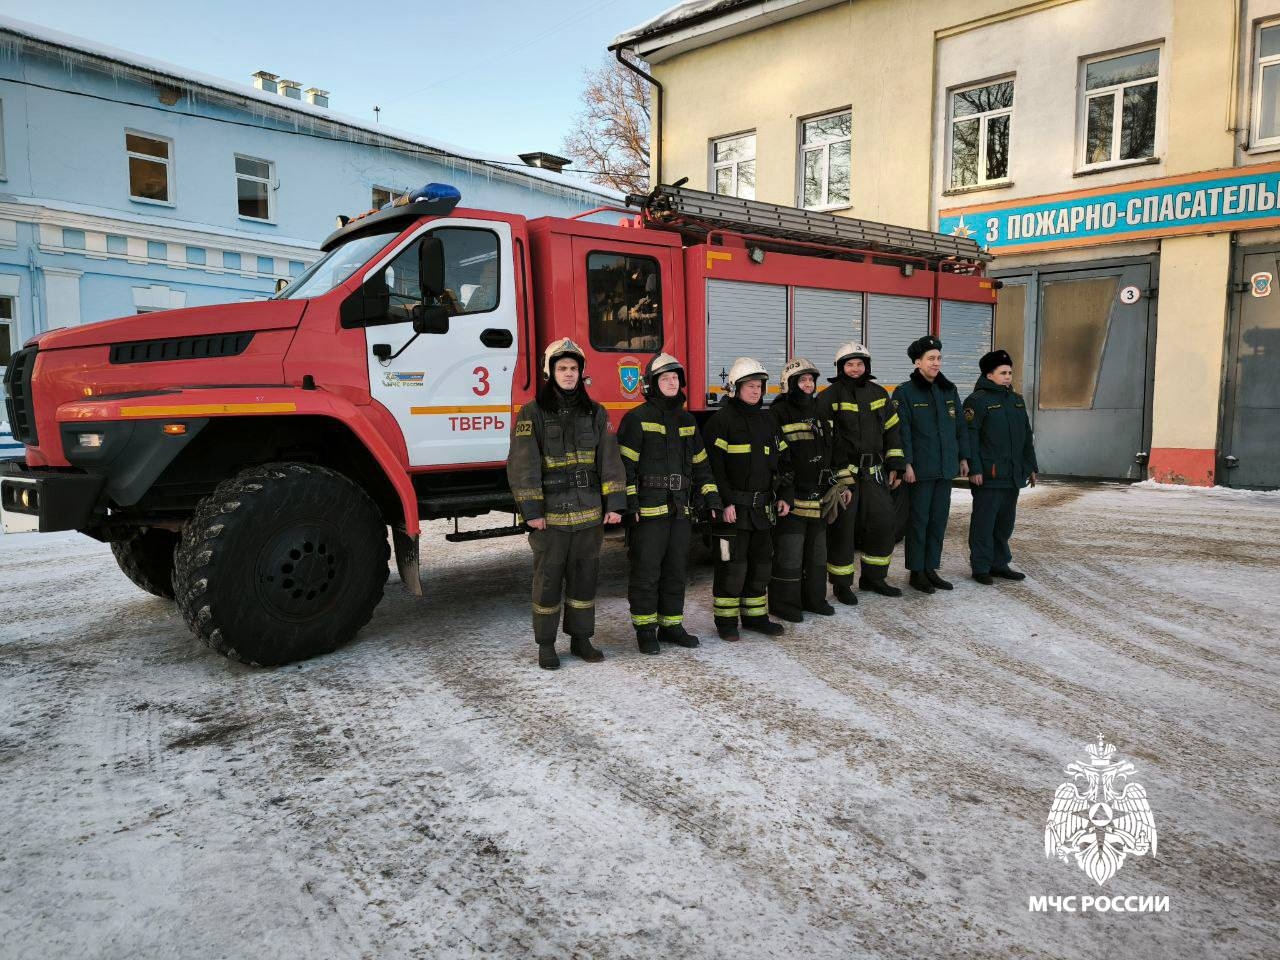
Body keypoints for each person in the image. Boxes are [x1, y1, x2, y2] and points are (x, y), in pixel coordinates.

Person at [507, 338, 627, 670]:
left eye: (574, 368)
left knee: (584, 580)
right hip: (552, 518)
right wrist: (532, 511)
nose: (569, 373)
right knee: (547, 582)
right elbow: (523, 465)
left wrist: (614, 503)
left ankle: (581, 639)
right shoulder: (532, 413)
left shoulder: (596, 412)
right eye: (562, 368)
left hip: (589, 516)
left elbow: (610, 460)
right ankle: (546, 645)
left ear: (581, 372)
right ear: (551, 372)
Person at [617, 353, 722, 654]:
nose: (672, 382)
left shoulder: (687, 421)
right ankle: (645, 630)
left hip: (680, 510)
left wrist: (711, 498)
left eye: (675, 378)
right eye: (665, 378)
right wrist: (629, 506)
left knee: (676, 571)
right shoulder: (636, 419)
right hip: (648, 513)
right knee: (646, 572)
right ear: (652, 384)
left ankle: (671, 625)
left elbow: (701, 465)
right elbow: (625, 468)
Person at [702, 358, 793, 641]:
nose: (756, 391)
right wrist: (724, 502)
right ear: (735, 388)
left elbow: (784, 460)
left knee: (760, 566)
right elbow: (713, 468)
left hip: (762, 511)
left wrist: (784, 495)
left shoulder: (768, 421)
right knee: (731, 567)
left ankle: (755, 617)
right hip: (733, 512)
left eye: (759, 386)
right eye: (750, 386)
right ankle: (726, 622)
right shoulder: (720, 422)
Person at [818, 342, 906, 601]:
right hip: (845, 475)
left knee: (882, 523)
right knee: (843, 530)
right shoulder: (829, 397)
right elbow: (826, 441)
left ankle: (874, 578)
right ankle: (841, 585)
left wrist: (896, 464)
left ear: (867, 366)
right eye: (850, 364)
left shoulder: (879, 393)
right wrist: (837, 474)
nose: (855, 369)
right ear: (840, 367)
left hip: (875, 473)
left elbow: (893, 431)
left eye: (860, 364)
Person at [768, 357, 843, 621]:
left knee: (817, 554)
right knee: (790, 553)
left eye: (811, 379)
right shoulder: (779, 413)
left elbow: (833, 448)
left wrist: (838, 482)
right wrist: (784, 490)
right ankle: (785, 604)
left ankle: (814, 599)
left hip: (820, 494)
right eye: (802, 380)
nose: (808, 384)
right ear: (789, 383)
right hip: (794, 496)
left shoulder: (820, 409)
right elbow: (778, 457)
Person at [895, 335, 970, 594]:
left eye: (938, 358)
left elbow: (960, 427)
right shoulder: (905, 392)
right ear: (917, 362)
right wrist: (906, 464)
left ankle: (930, 568)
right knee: (919, 521)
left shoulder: (948, 390)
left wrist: (963, 457)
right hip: (920, 470)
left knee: (938, 521)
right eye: (930, 359)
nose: (936, 363)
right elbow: (902, 432)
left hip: (945, 467)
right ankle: (917, 572)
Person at [963, 349, 1039, 585]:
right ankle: (981, 567)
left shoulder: (1016, 400)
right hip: (989, 475)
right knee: (984, 523)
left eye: (1009, 373)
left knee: (1005, 523)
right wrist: (975, 469)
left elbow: (1026, 436)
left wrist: (1030, 466)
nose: (1008, 377)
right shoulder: (977, 401)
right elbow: (970, 438)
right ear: (989, 375)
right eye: (1003, 373)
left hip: (1013, 473)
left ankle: (999, 563)